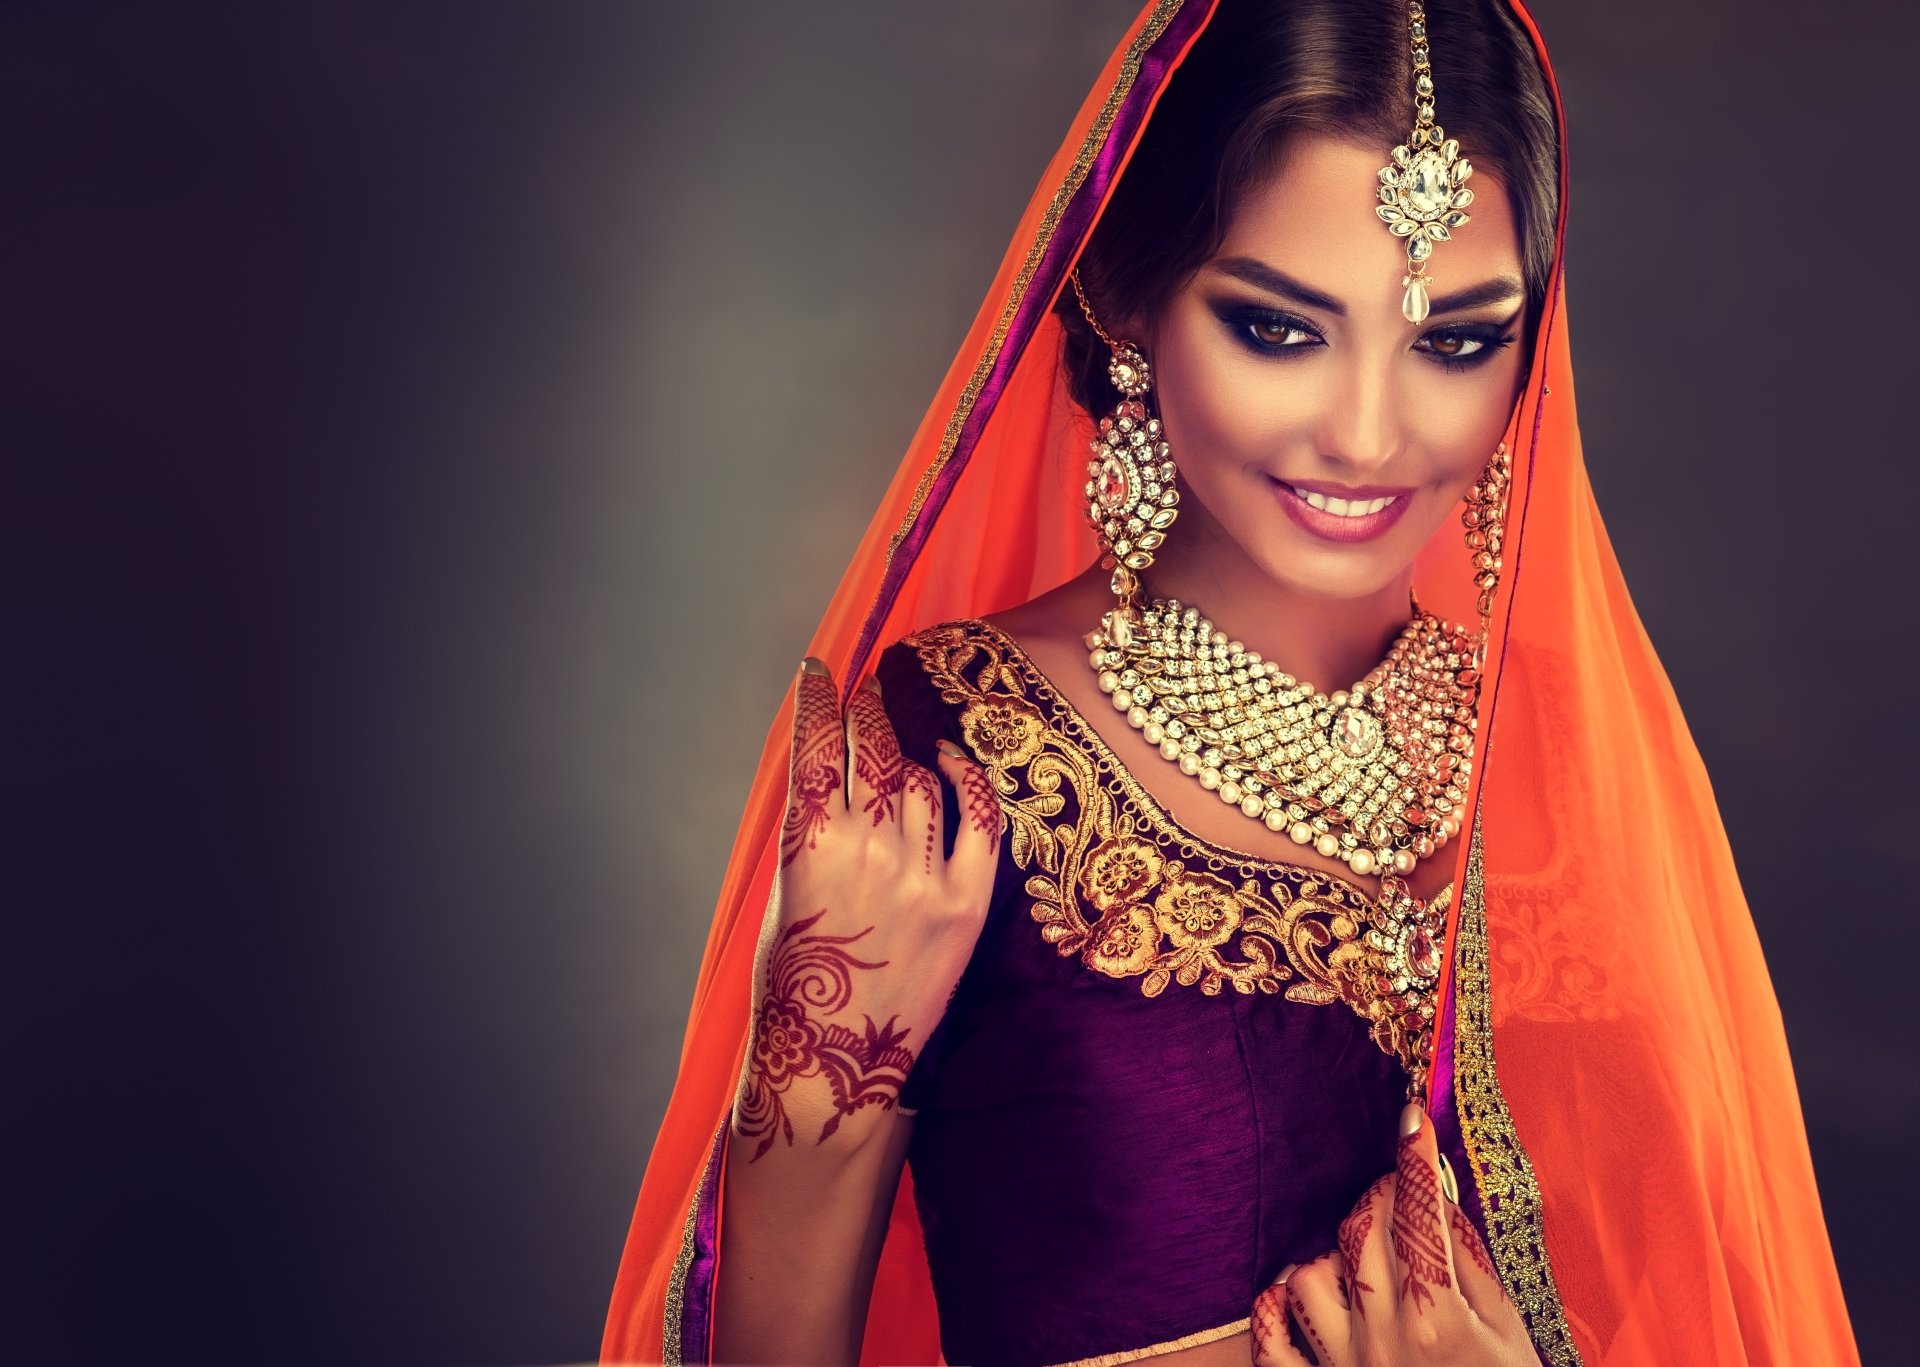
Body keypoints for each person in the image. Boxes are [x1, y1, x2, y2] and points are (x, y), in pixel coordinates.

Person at [601, 2, 1861, 1364]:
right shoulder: (962, 762)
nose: (1369, 436)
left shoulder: (1584, 763)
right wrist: (809, 1105)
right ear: (1126, 299)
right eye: (1277, 329)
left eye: (1453, 342)